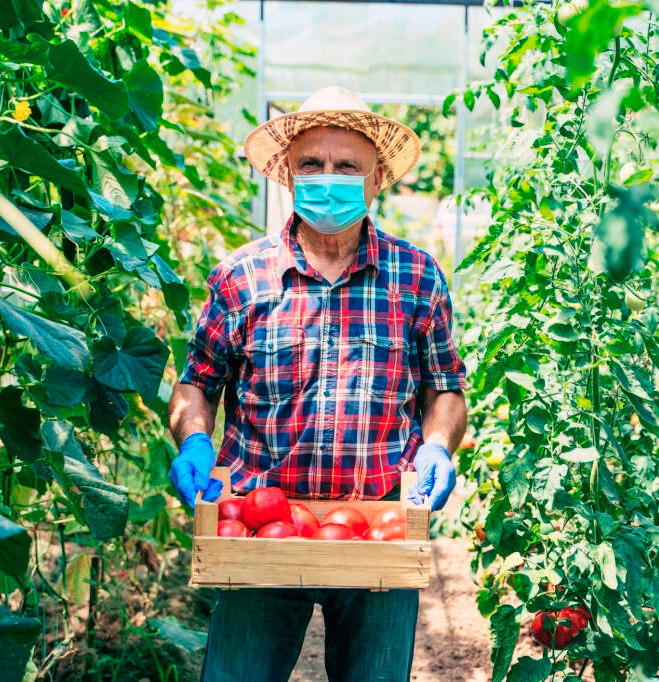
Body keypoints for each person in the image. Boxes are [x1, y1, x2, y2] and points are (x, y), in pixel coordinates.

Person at [167, 86, 468, 682]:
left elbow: (445, 389)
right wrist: (193, 439)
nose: (327, 177)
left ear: (376, 178)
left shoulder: (417, 277)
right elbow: (195, 384)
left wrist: (438, 444)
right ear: (286, 174)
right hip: (256, 526)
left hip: (378, 528)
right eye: (311, 164)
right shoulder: (241, 277)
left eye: (346, 166)